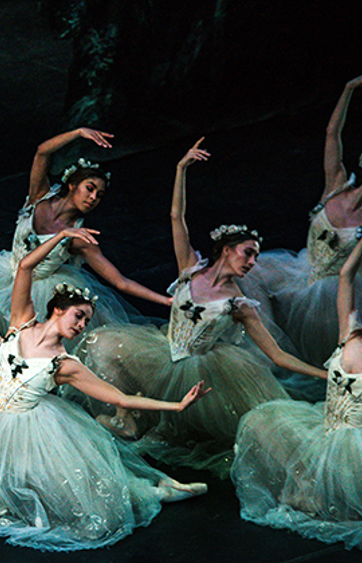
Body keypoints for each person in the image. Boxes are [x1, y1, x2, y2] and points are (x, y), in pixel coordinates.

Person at [0, 233, 210, 552]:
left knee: (76, 500)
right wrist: (61, 237)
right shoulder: (21, 321)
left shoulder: (65, 363)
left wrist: (176, 405)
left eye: (86, 321)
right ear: (58, 309)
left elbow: (118, 398)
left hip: (24, 430)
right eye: (79, 316)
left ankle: (152, 490)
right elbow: (25, 266)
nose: (81, 325)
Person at [74, 139, 324, 476]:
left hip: (203, 369)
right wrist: (181, 169)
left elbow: (278, 356)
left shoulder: (239, 304)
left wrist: (325, 374)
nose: (252, 261)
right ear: (226, 249)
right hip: (162, 351)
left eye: (255, 255)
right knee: (101, 342)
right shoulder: (190, 266)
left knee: (228, 427)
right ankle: (127, 417)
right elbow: (176, 216)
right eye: (247, 252)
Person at [0, 128, 168, 375]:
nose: (93, 198)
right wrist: (78, 133)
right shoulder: (39, 196)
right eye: (89, 188)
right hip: (6, 269)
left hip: (37, 288)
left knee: (21, 332)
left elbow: (120, 281)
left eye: (99, 195)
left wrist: (166, 300)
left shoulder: (81, 238)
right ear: (72, 184)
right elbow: (41, 153)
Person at [232, 222, 362, 556]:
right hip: (324, 426)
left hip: (356, 444)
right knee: (262, 420)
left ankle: (328, 493)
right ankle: (308, 486)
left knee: (346, 500)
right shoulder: (351, 332)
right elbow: (345, 276)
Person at [241, 71, 362, 374]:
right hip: (301, 270)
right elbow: (332, 133)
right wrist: (348, 88)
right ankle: (269, 353)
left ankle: (289, 364)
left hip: (330, 293)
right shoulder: (337, 184)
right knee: (249, 274)